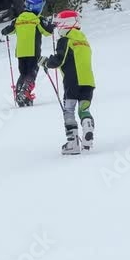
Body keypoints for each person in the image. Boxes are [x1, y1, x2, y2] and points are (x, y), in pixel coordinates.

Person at [43, 10, 95, 155]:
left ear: (66, 25)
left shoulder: (66, 40)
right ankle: (88, 129)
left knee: (69, 110)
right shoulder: (84, 40)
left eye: (59, 24)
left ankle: (73, 143)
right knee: (84, 109)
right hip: (88, 81)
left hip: (72, 81)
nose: (58, 28)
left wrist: (47, 62)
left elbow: (59, 59)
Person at [1, 0, 54, 107]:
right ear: (37, 8)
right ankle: (25, 91)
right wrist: (52, 25)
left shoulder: (18, 19)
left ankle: (20, 93)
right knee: (31, 73)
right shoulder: (38, 20)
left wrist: (5, 31)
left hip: (20, 53)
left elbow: (8, 31)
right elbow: (48, 32)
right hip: (33, 51)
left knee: (23, 73)